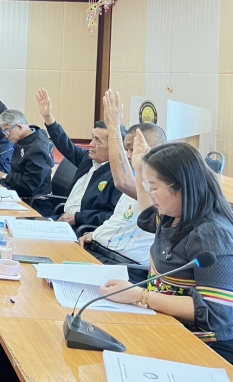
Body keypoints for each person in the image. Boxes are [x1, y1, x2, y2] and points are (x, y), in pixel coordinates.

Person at [100, 138, 233, 364]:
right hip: (164, 325)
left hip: (204, 347)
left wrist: (141, 296)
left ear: (181, 187)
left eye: (153, 188)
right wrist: (140, 168)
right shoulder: (174, 215)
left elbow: (216, 313)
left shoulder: (212, 234)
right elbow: (146, 215)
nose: (148, 193)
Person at [78, 91, 167, 281]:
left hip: (124, 266)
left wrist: (113, 126)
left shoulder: (161, 185)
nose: (127, 154)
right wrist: (95, 233)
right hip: (96, 249)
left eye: (133, 149)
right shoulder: (134, 175)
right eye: (126, 149)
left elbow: (123, 182)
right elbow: (118, 220)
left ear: (155, 149)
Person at [36, 88, 123, 229]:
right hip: (61, 218)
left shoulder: (119, 176)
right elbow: (65, 144)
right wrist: (48, 117)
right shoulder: (88, 159)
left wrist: (78, 217)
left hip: (82, 227)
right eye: (92, 138)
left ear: (114, 145)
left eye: (98, 140)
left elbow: (113, 216)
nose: (91, 144)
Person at [0, 109, 54, 212]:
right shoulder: (26, 137)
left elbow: (29, 184)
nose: (6, 135)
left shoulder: (36, 149)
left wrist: (4, 176)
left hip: (35, 204)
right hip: (20, 195)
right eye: (4, 132)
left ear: (20, 127)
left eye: (7, 131)